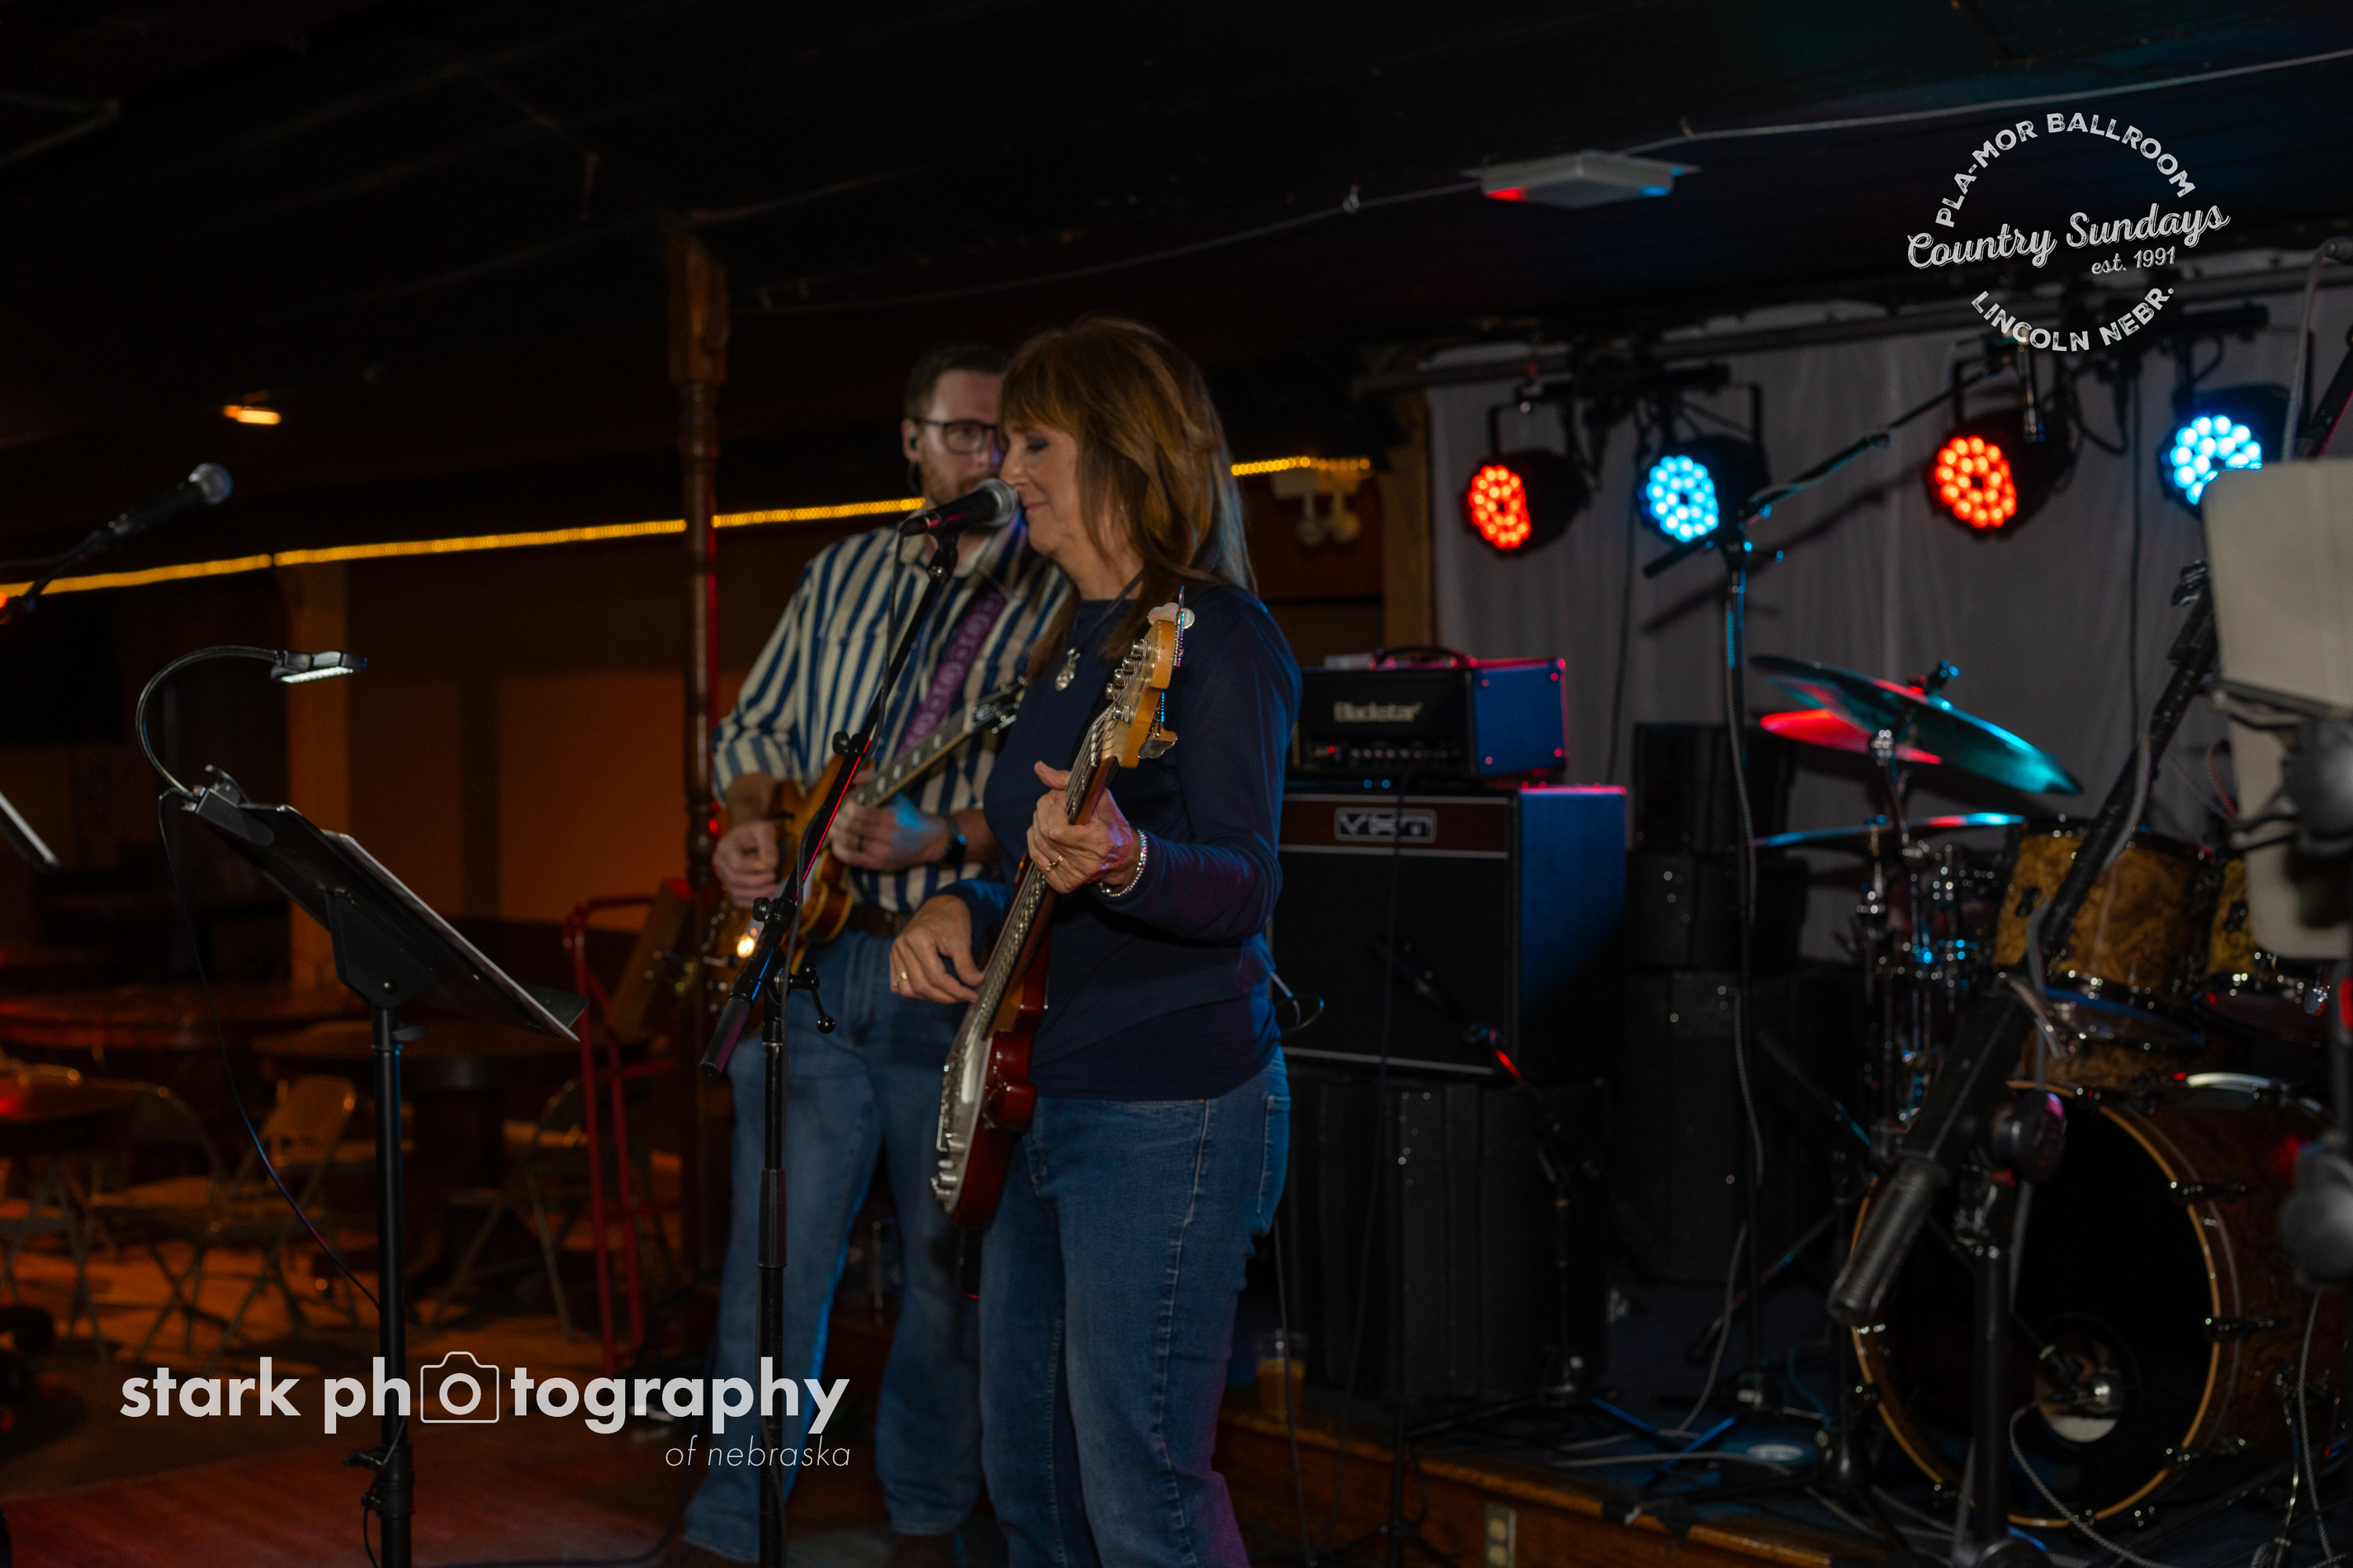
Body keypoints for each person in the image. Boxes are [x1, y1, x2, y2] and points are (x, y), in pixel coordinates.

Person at [891, 315, 1300, 1568]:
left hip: (1164, 1109)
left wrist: (1130, 861)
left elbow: (1244, 881)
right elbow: (1035, 864)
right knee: (1030, 1477)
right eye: (1003, 444)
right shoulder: (1069, 639)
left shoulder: (1218, 637)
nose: (1005, 469)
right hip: (1039, 1096)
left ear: (1122, 451)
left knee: (1143, 1493)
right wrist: (960, 905)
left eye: (1034, 444)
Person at [675, 343, 1069, 1568]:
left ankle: (928, 1519)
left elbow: (1069, 795)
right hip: (812, 958)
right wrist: (752, 826)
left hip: (951, 968)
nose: (985, 458)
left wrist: (936, 835)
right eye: (961, 434)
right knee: (772, 1263)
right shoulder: (843, 572)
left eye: (1005, 437)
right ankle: (732, 1522)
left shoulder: (1054, 595)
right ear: (911, 441)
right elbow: (753, 731)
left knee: (947, 1269)